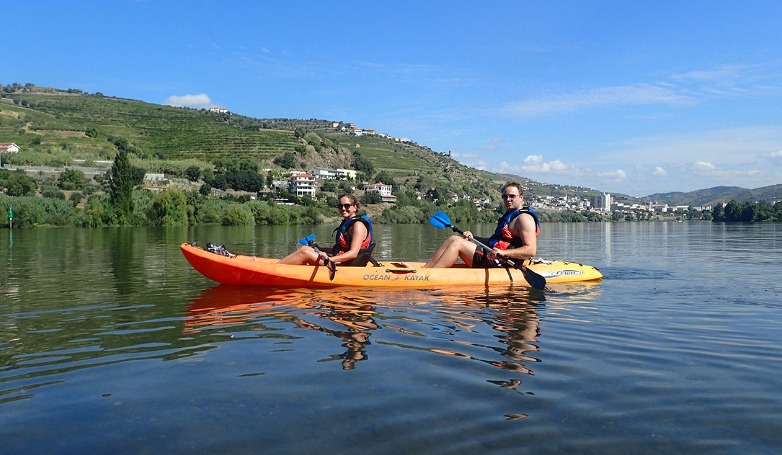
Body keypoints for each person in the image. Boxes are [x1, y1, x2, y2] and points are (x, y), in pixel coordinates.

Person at [423, 182, 539, 268]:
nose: (508, 199)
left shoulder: (524, 219)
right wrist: (473, 239)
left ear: (521, 197)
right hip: (494, 256)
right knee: (454, 238)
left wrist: (503, 252)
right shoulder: (510, 215)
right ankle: (426, 270)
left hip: (504, 261)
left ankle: (430, 277)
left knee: (458, 244)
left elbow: (530, 250)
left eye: (512, 196)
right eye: (505, 196)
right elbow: (493, 241)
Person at [278, 194, 375, 266]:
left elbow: (353, 254)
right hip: (342, 261)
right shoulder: (348, 224)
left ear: (355, 207)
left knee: (305, 253)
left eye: (347, 205)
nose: (343, 208)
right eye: (340, 206)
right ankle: (278, 266)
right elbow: (339, 250)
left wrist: (330, 259)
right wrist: (319, 248)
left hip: (350, 265)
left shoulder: (358, 225)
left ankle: (275, 269)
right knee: (306, 249)